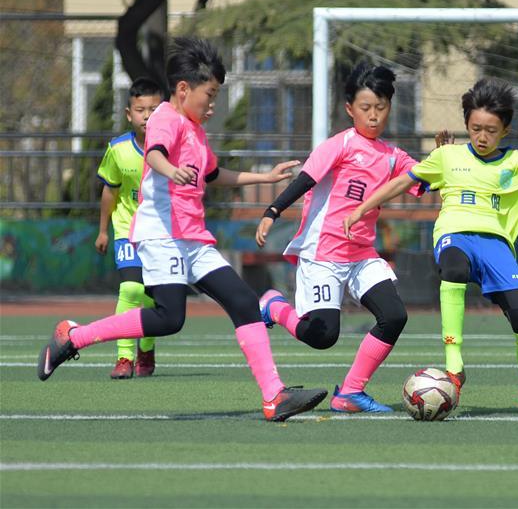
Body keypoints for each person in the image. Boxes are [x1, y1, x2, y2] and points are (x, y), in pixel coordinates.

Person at [38, 37, 327, 422]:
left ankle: (274, 396)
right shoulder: (165, 117)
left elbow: (213, 173)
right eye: (209, 95)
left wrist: (264, 176)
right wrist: (171, 169)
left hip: (193, 239)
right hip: (160, 235)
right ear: (183, 89)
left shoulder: (196, 131)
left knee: (244, 302)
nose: (213, 104)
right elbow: (155, 152)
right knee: (169, 318)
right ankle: (73, 337)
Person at [345, 77, 518, 417]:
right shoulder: (447, 156)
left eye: (491, 130)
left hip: (494, 243)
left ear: (505, 130)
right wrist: (362, 208)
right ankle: (453, 364)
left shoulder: (516, 162)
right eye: (475, 128)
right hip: (454, 233)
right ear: (467, 125)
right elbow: (404, 181)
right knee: (454, 269)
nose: (482, 136)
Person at [255, 63, 425, 413]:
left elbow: (422, 180)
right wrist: (272, 211)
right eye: (366, 108)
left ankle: (349, 393)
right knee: (323, 336)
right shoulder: (340, 145)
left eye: (381, 108)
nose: (374, 116)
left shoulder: (393, 156)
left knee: (394, 316)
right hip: (324, 254)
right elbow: (305, 179)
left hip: (362, 255)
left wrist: (445, 161)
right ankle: (274, 306)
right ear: (350, 109)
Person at [95, 78, 163, 379]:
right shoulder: (118, 149)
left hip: (160, 232)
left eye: (154, 109)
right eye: (140, 110)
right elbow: (110, 191)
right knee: (131, 287)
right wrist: (103, 231)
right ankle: (124, 356)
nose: (147, 116)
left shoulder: (172, 147)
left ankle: (146, 345)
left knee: (155, 298)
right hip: (127, 229)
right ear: (128, 114)